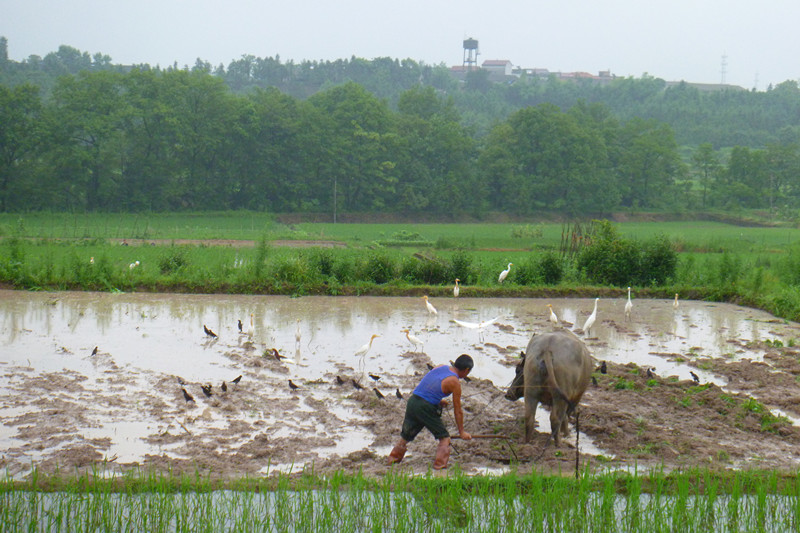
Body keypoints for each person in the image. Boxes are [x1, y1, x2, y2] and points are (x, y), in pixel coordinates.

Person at [388, 354, 473, 470]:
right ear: (466, 370)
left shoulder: (440, 366)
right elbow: (458, 410)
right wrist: (462, 432)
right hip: (425, 407)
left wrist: (438, 400)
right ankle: (440, 468)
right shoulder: (455, 382)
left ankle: (392, 461)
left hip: (413, 401)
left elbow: (429, 386)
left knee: (406, 436)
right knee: (444, 438)